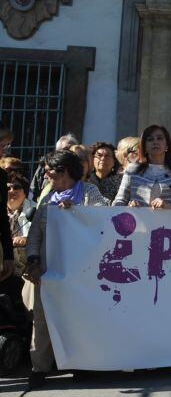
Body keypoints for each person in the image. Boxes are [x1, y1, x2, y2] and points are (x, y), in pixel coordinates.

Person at [24, 150, 110, 389]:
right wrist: (33, 261)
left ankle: (81, 365)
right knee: (42, 321)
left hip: (81, 272)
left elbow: (102, 217)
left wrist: (77, 211)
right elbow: (34, 236)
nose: (47, 175)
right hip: (47, 270)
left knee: (79, 319)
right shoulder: (47, 199)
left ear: (66, 171)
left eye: (51, 171)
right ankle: (39, 368)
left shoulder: (89, 192)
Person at [112, 125, 171, 210]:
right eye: (150, 139)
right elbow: (118, 202)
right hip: (139, 222)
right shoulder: (132, 169)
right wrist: (129, 207)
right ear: (144, 147)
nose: (155, 142)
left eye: (159, 138)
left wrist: (169, 206)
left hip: (170, 222)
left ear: (167, 145)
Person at [6, 171, 34, 306]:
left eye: (17, 187)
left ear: (25, 191)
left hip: (27, 265)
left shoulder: (35, 209)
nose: (12, 191)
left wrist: (26, 239)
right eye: (8, 188)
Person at [30, 132, 78, 201]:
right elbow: (33, 191)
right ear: (57, 151)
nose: (70, 152)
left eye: (72, 149)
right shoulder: (44, 167)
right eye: (66, 149)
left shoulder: (79, 169)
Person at [0, 124, 16, 287]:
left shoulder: (1, 176)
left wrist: (8, 256)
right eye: (2, 145)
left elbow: (2, 217)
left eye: (6, 145)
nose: (5, 150)